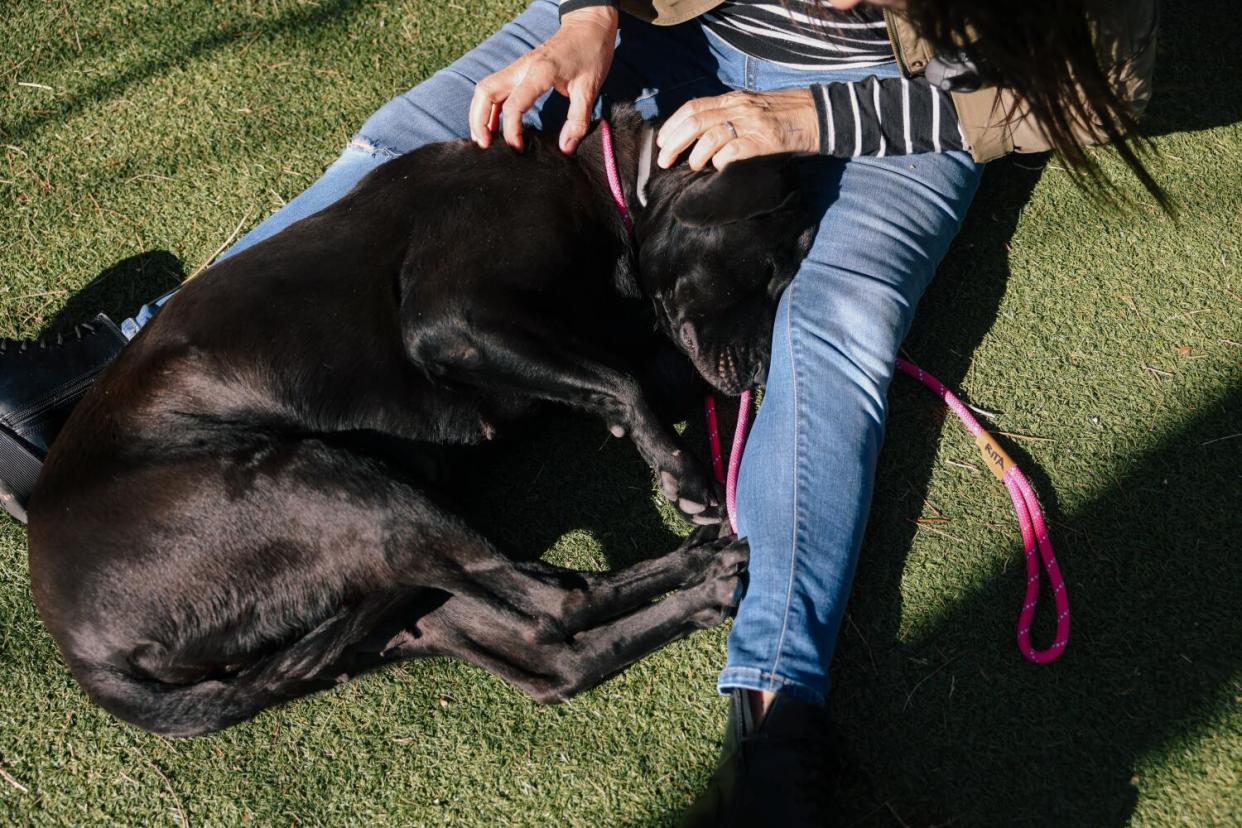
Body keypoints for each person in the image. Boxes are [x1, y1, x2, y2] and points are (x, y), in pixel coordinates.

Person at [0, 0, 1160, 822]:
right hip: (670, 26)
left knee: (836, 325)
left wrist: (812, 122)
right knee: (398, 148)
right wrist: (589, 16)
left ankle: (778, 707)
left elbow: (1104, 87)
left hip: (886, 106)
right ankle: (92, 383)